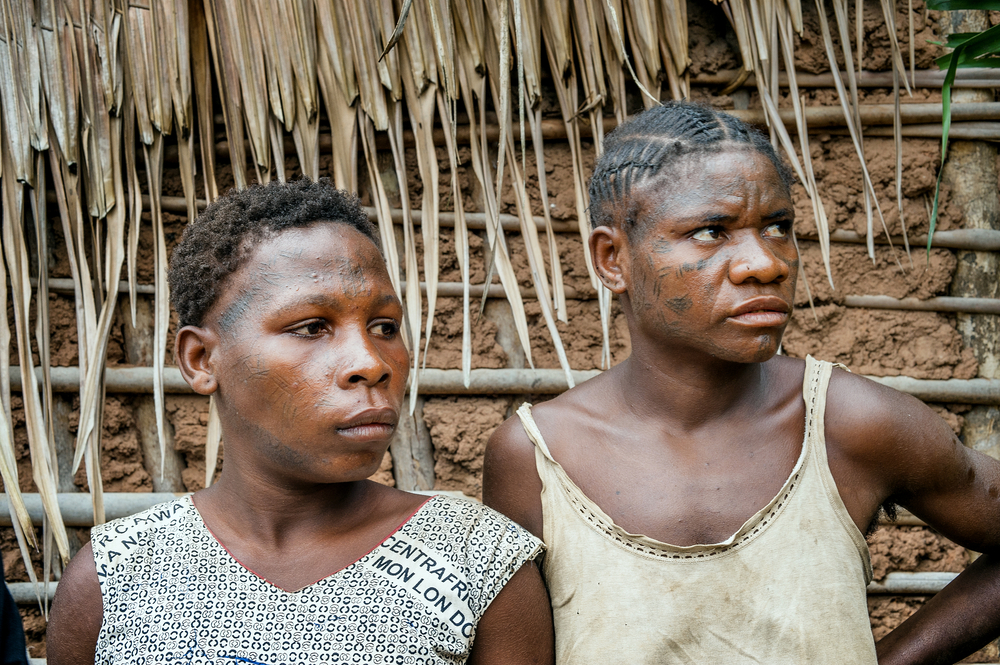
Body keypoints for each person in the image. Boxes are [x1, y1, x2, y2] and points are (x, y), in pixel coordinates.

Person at [483, 102, 1000, 665]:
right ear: (613, 260)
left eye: (778, 228)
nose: (766, 263)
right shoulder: (537, 456)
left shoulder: (847, 423)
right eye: (711, 231)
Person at [47, 178, 553, 665]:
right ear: (201, 359)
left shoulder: (477, 560)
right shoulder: (117, 575)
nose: (371, 362)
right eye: (312, 327)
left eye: (385, 326)